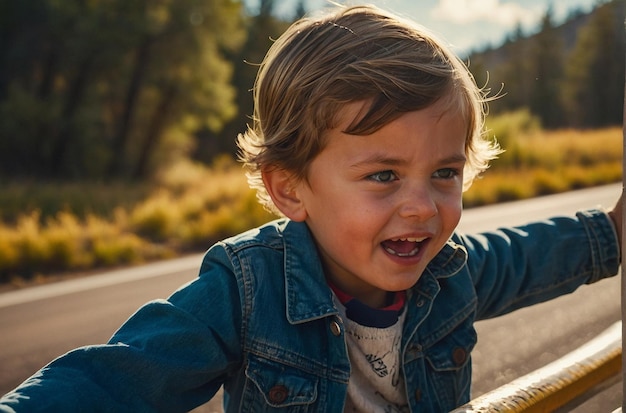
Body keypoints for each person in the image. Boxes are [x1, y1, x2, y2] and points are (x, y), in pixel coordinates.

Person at [0, 4, 622, 412]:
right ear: (290, 188)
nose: (422, 208)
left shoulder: (449, 268)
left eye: (444, 173)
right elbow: (115, 378)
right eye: (383, 175)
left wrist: (615, 231)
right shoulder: (247, 290)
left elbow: (534, 257)